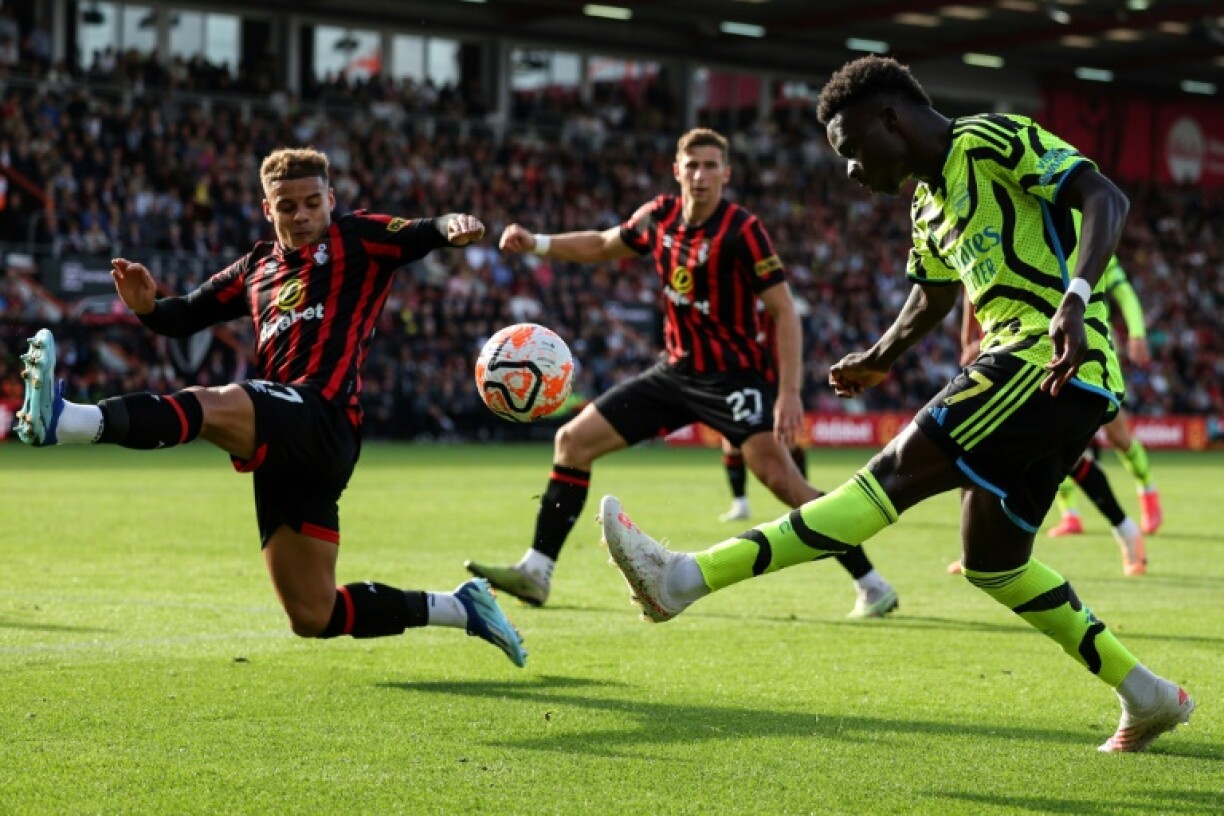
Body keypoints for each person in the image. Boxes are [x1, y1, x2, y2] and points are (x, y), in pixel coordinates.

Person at [598, 56, 1193, 752]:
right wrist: (880, 357)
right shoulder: (926, 203)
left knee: (887, 479)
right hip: (1050, 376)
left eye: (852, 150)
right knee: (994, 562)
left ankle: (685, 578)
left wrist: (1075, 299)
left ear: (891, 119)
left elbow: (1106, 199)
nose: (851, 170)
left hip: (1044, 352)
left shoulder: (990, 140)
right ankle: (1148, 695)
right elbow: (933, 296)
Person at [15, 147, 526, 668]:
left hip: (324, 415)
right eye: (288, 206)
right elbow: (185, 315)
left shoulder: (357, 238)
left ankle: (68, 421)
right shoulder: (256, 269)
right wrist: (147, 307)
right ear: (267, 210)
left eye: (312, 203)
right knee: (312, 613)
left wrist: (452, 226)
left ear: (331, 199)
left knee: (211, 404)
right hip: (282, 440)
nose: (302, 216)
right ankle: (461, 608)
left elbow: (420, 231)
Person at [465, 127, 898, 619]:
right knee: (571, 441)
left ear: (726, 175)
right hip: (674, 373)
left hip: (734, 378)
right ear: (677, 172)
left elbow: (785, 311)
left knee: (785, 483)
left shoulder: (743, 230)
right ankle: (536, 570)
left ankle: (871, 583)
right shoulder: (659, 217)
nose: (701, 174)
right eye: (692, 165)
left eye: (712, 165)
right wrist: (538, 243)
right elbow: (605, 243)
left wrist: (790, 392)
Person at [950, 298, 1146, 577]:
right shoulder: (978, 265)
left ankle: (1127, 530)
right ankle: (976, 550)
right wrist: (968, 339)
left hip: (1050, 352)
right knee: (979, 449)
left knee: (1064, 458)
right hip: (1005, 352)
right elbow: (969, 288)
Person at [1047, 256, 1161, 536]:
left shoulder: (1094, 242)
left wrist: (1136, 333)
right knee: (1052, 434)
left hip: (1096, 350)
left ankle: (1148, 492)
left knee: (1118, 437)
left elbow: (1124, 292)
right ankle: (1070, 514)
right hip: (1050, 347)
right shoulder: (1044, 237)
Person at [719, 309, 809, 523]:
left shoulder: (775, 310)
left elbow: (791, 343)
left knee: (788, 441)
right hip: (741, 383)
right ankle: (740, 503)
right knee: (731, 442)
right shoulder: (733, 308)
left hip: (774, 384)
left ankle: (804, 500)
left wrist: (790, 387)